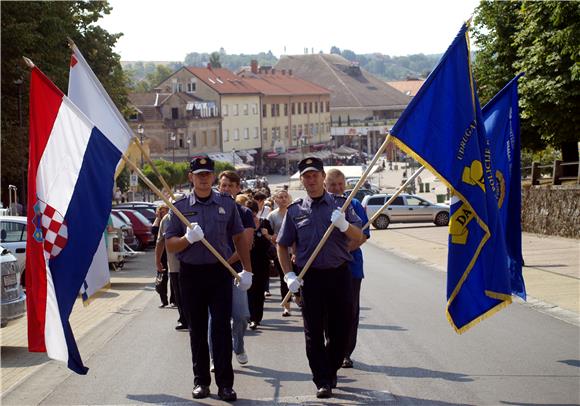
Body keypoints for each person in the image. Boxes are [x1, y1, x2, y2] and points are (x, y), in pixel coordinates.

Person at [165, 157, 253, 402]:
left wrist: (247, 270)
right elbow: (170, 244)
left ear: (213, 177)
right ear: (191, 177)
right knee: (197, 330)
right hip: (191, 274)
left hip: (219, 271)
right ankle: (201, 381)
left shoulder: (226, 203)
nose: (203, 178)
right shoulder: (179, 207)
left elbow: (239, 238)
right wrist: (188, 239)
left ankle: (225, 384)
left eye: (207, 174)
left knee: (221, 329)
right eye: (198, 174)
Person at [277, 157, 363, 399]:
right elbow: (282, 245)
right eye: (306, 176)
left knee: (341, 329)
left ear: (323, 177)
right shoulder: (295, 211)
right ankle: (322, 379)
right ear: (302, 180)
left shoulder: (341, 205)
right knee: (313, 331)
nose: (311, 180)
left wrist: (345, 225)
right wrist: (289, 275)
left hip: (339, 274)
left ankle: (331, 366)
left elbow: (360, 236)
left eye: (315, 175)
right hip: (310, 277)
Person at [324, 169, 370, 369]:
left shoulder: (355, 204)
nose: (337, 188)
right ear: (326, 185)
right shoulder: (321, 205)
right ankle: (331, 346)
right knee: (328, 310)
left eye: (340, 184)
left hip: (351, 267)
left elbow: (363, 235)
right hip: (325, 267)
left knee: (350, 312)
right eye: (333, 184)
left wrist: (342, 252)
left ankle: (345, 352)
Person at [211, 170, 255, 367]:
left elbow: (245, 243)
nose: (226, 189)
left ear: (238, 188)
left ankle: (238, 345)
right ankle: (215, 356)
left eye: (230, 185)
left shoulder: (245, 213)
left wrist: (226, 262)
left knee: (240, 316)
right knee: (215, 317)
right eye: (223, 185)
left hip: (236, 271)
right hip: (213, 272)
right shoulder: (211, 209)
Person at [245, 199, 274, 329]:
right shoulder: (242, 224)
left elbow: (272, 242)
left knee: (259, 292)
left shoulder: (265, 223)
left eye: (253, 214)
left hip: (262, 262)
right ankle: (251, 317)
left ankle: (257, 317)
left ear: (257, 213)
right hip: (247, 262)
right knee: (249, 291)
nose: (251, 217)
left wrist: (266, 235)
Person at [157, 207, 188, 330]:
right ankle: (183, 319)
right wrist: (157, 260)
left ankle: (194, 318)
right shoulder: (166, 219)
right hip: (175, 265)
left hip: (194, 262)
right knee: (179, 294)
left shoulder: (192, 214)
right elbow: (160, 241)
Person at [267, 189, 293, 316]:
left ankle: (299, 298)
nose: (283, 199)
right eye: (280, 197)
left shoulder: (294, 212)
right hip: (280, 252)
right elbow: (267, 232)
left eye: (285, 197)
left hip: (295, 252)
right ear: (275, 200)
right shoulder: (272, 215)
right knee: (285, 279)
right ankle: (286, 306)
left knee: (300, 277)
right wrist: (272, 238)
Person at [153, 204, 170, 308]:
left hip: (172, 250)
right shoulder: (159, 222)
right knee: (162, 276)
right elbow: (154, 231)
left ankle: (174, 299)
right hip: (162, 252)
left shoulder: (171, 220)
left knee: (174, 277)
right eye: (161, 212)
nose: (163, 214)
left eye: (165, 211)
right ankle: (163, 300)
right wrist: (158, 218)